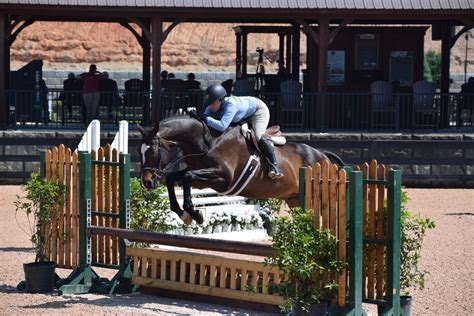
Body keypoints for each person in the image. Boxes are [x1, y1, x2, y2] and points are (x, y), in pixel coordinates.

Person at [196, 84, 283, 180]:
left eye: (212, 103)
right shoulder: (212, 106)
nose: (210, 106)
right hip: (243, 116)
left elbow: (222, 126)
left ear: (221, 100)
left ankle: (275, 166)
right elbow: (205, 119)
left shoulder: (231, 105)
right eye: (209, 104)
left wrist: (206, 118)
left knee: (258, 136)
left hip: (258, 111)